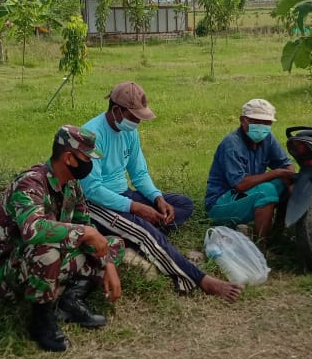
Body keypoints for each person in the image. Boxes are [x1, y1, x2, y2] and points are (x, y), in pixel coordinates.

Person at [81, 81, 242, 302]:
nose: (137, 122)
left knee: (183, 204)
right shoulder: (91, 135)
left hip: (124, 194)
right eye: (134, 117)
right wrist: (136, 207)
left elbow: (139, 173)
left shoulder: (129, 132)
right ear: (117, 110)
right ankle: (198, 278)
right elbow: (92, 190)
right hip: (99, 205)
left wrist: (156, 198)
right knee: (148, 233)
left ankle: (137, 235)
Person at [0, 125, 125, 353]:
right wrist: (86, 233)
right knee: (47, 250)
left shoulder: (71, 185)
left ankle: (70, 301)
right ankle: (41, 319)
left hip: (52, 259)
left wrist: (107, 262)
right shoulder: (30, 183)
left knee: (112, 245)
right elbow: (33, 229)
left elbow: (86, 225)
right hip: (12, 271)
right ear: (69, 158)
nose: (90, 163)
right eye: (87, 158)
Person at [205, 98, 295, 247]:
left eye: (267, 123)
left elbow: (286, 166)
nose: (262, 127)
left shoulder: (268, 139)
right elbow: (240, 184)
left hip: (246, 194)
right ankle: (261, 246)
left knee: (286, 182)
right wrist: (275, 173)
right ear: (243, 121)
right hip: (220, 203)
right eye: (256, 122)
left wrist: (289, 180)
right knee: (267, 190)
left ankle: (279, 233)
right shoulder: (232, 144)